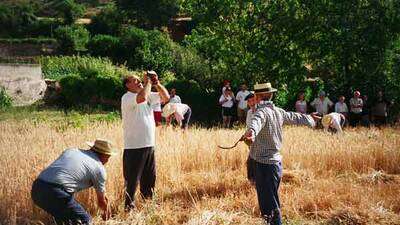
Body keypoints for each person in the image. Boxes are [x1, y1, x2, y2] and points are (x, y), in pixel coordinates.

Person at [242, 82, 320, 225]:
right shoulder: (277, 111)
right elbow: (295, 117)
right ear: (271, 95)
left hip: (264, 166)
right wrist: (310, 118)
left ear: (257, 96)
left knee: (269, 207)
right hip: (275, 164)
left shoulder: (260, 112)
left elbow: (256, 123)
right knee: (271, 202)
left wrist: (251, 134)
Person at [31, 139, 116, 225]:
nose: (107, 161)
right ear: (104, 155)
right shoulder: (99, 168)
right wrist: (107, 212)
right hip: (55, 192)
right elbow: (101, 201)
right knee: (84, 220)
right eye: (108, 157)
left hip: (36, 188)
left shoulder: (72, 151)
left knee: (65, 220)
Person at [121, 71, 170, 211]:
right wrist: (148, 82)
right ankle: (128, 208)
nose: (138, 81)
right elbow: (141, 97)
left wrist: (157, 83)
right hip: (134, 146)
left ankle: (148, 205)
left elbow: (165, 97)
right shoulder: (127, 97)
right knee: (132, 180)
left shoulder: (147, 95)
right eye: (134, 80)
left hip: (149, 144)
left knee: (149, 178)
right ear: (127, 85)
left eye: (139, 80)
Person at [244, 92, 257, 185]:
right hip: (251, 142)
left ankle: (255, 181)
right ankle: (253, 181)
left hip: (260, 142)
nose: (251, 103)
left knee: (253, 162)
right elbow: (248, 127)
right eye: (249, 101)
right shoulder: (249, 112)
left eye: (252, 100)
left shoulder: (260, 112)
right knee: (250, 162)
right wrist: (244, 135)